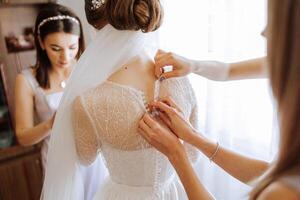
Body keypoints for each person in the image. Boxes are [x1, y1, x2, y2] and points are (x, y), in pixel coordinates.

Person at [138, 0, 300, 199]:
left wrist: (176, 154)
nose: (264, 33)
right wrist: (194, 136)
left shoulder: (285, 193)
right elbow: (273, 173)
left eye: (275, 22)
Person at [42, 0, 200, 199]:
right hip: (174, 192)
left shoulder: (89, 101)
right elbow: (193, 155)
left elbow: (86, 158)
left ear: (95, 27)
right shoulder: (179, 77)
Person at [14, 3, 105, 200]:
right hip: (59, 161)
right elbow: (22, 136)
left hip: (94, 158)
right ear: (40, 42)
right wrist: (50, 124)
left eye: (72, 47)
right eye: (56, 48)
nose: (65, 57)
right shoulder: (27, 80)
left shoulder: (87, 69)